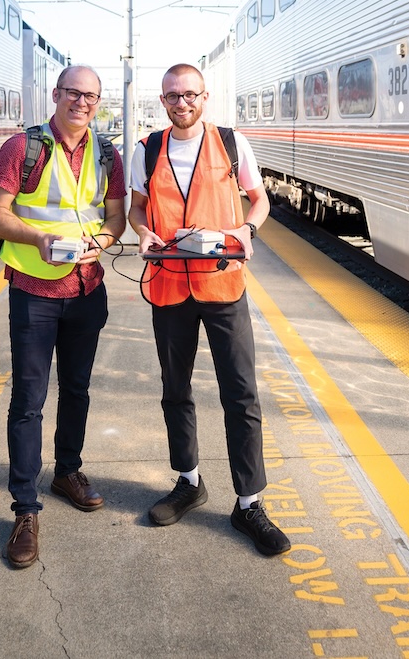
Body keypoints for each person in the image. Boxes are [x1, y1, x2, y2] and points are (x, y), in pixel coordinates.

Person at [128, 63, 291, 557]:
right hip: (169, 285)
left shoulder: (232, 143)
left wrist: (248, 231)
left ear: (205, 97)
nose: (183, 104)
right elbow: (137, 207)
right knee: (175, 390)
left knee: (241, 393)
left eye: (191, 95)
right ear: (163, 101)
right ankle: (188, 481)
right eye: (174, 97)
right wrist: (143, 232)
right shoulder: (146, 149)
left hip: (223, 284)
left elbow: (258, 201)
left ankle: (249, 503)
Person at [0, 64, 126, 568]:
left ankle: (68, 471)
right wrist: (38, 238)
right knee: (29, 399)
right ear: (56, 94)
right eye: (73, 93)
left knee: (79, 389)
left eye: (91, 96)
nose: (82, 103)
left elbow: (115, 218)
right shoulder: (21, 149)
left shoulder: (108, 153)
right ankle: (25, 509)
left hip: (87, 290)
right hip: (35, 294)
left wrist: (102, 243)